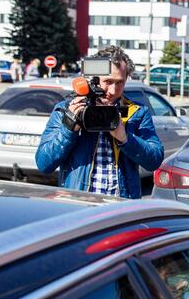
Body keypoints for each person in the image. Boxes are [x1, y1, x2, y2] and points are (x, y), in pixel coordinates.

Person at [35, 45, 163, 199]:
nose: (113, 91)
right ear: (92, 79)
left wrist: (125, 138)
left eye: (120, 82)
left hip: (121, 206)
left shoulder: (136, 112)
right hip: (78, 205)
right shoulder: (66, 109)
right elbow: (44, 163)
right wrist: (69, 129)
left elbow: (154, 160)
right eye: (108, 81)